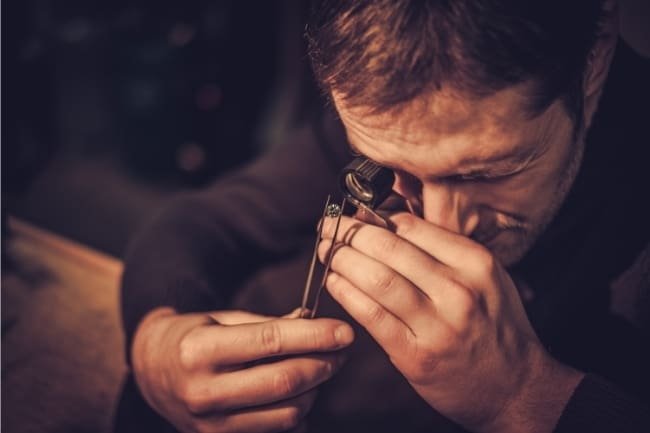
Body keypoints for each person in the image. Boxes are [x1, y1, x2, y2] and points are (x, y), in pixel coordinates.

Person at [114, 1, 650, 432]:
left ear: (595, 55)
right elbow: (206, 221)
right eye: (392, 169)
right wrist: (158, 347)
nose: (442, 226)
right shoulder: (401, 110)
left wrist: (523, 397)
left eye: (488, 173)